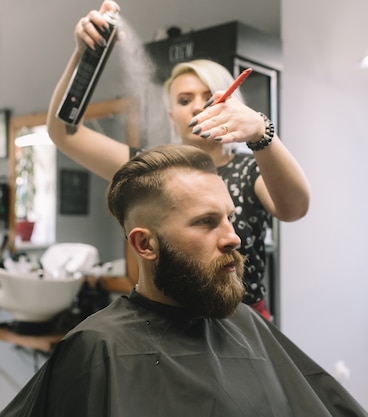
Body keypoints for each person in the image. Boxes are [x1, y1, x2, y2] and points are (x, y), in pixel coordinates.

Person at [0, 144, 368, 417]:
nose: (232, 237)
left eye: (229, 218)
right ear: (145, 244)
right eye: (206, 222)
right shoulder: (98, 348)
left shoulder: (247, 321)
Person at [47, 0, 311, 320]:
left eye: (209, 96)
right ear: (173, 116)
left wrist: (262, 133)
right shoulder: (152, 172)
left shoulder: (251, 170)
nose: (198, 107)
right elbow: (64, 133)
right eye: (185, 100)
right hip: (170, 327)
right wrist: (84, 55)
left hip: (243, 325)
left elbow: (294, 209)